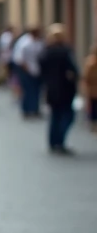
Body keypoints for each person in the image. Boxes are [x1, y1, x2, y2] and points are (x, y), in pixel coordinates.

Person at [40, 24, 78, 154]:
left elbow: (41, 69)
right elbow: (73, 69)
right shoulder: (65, 51)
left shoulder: (46, 52)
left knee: (55, 116)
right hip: (65, 88)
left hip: (51, 88)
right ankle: (60, 141)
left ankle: (53, 142)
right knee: (67, 115)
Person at [13, 27, 44, 118]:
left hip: (37, 70)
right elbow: (19, 58)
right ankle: (26, 109)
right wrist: (26, 68)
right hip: (26, 70)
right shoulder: (24, 42)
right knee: (27, 90)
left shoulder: (39, 42)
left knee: (36, 90)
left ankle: (35, 109)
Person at [83, 45, 97, 131]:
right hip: (93, 89)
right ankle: (93, 122)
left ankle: (93, 122)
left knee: (93, 106)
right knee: (93, 106)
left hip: (92, 89)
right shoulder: (91, 63)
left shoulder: (90, 62)